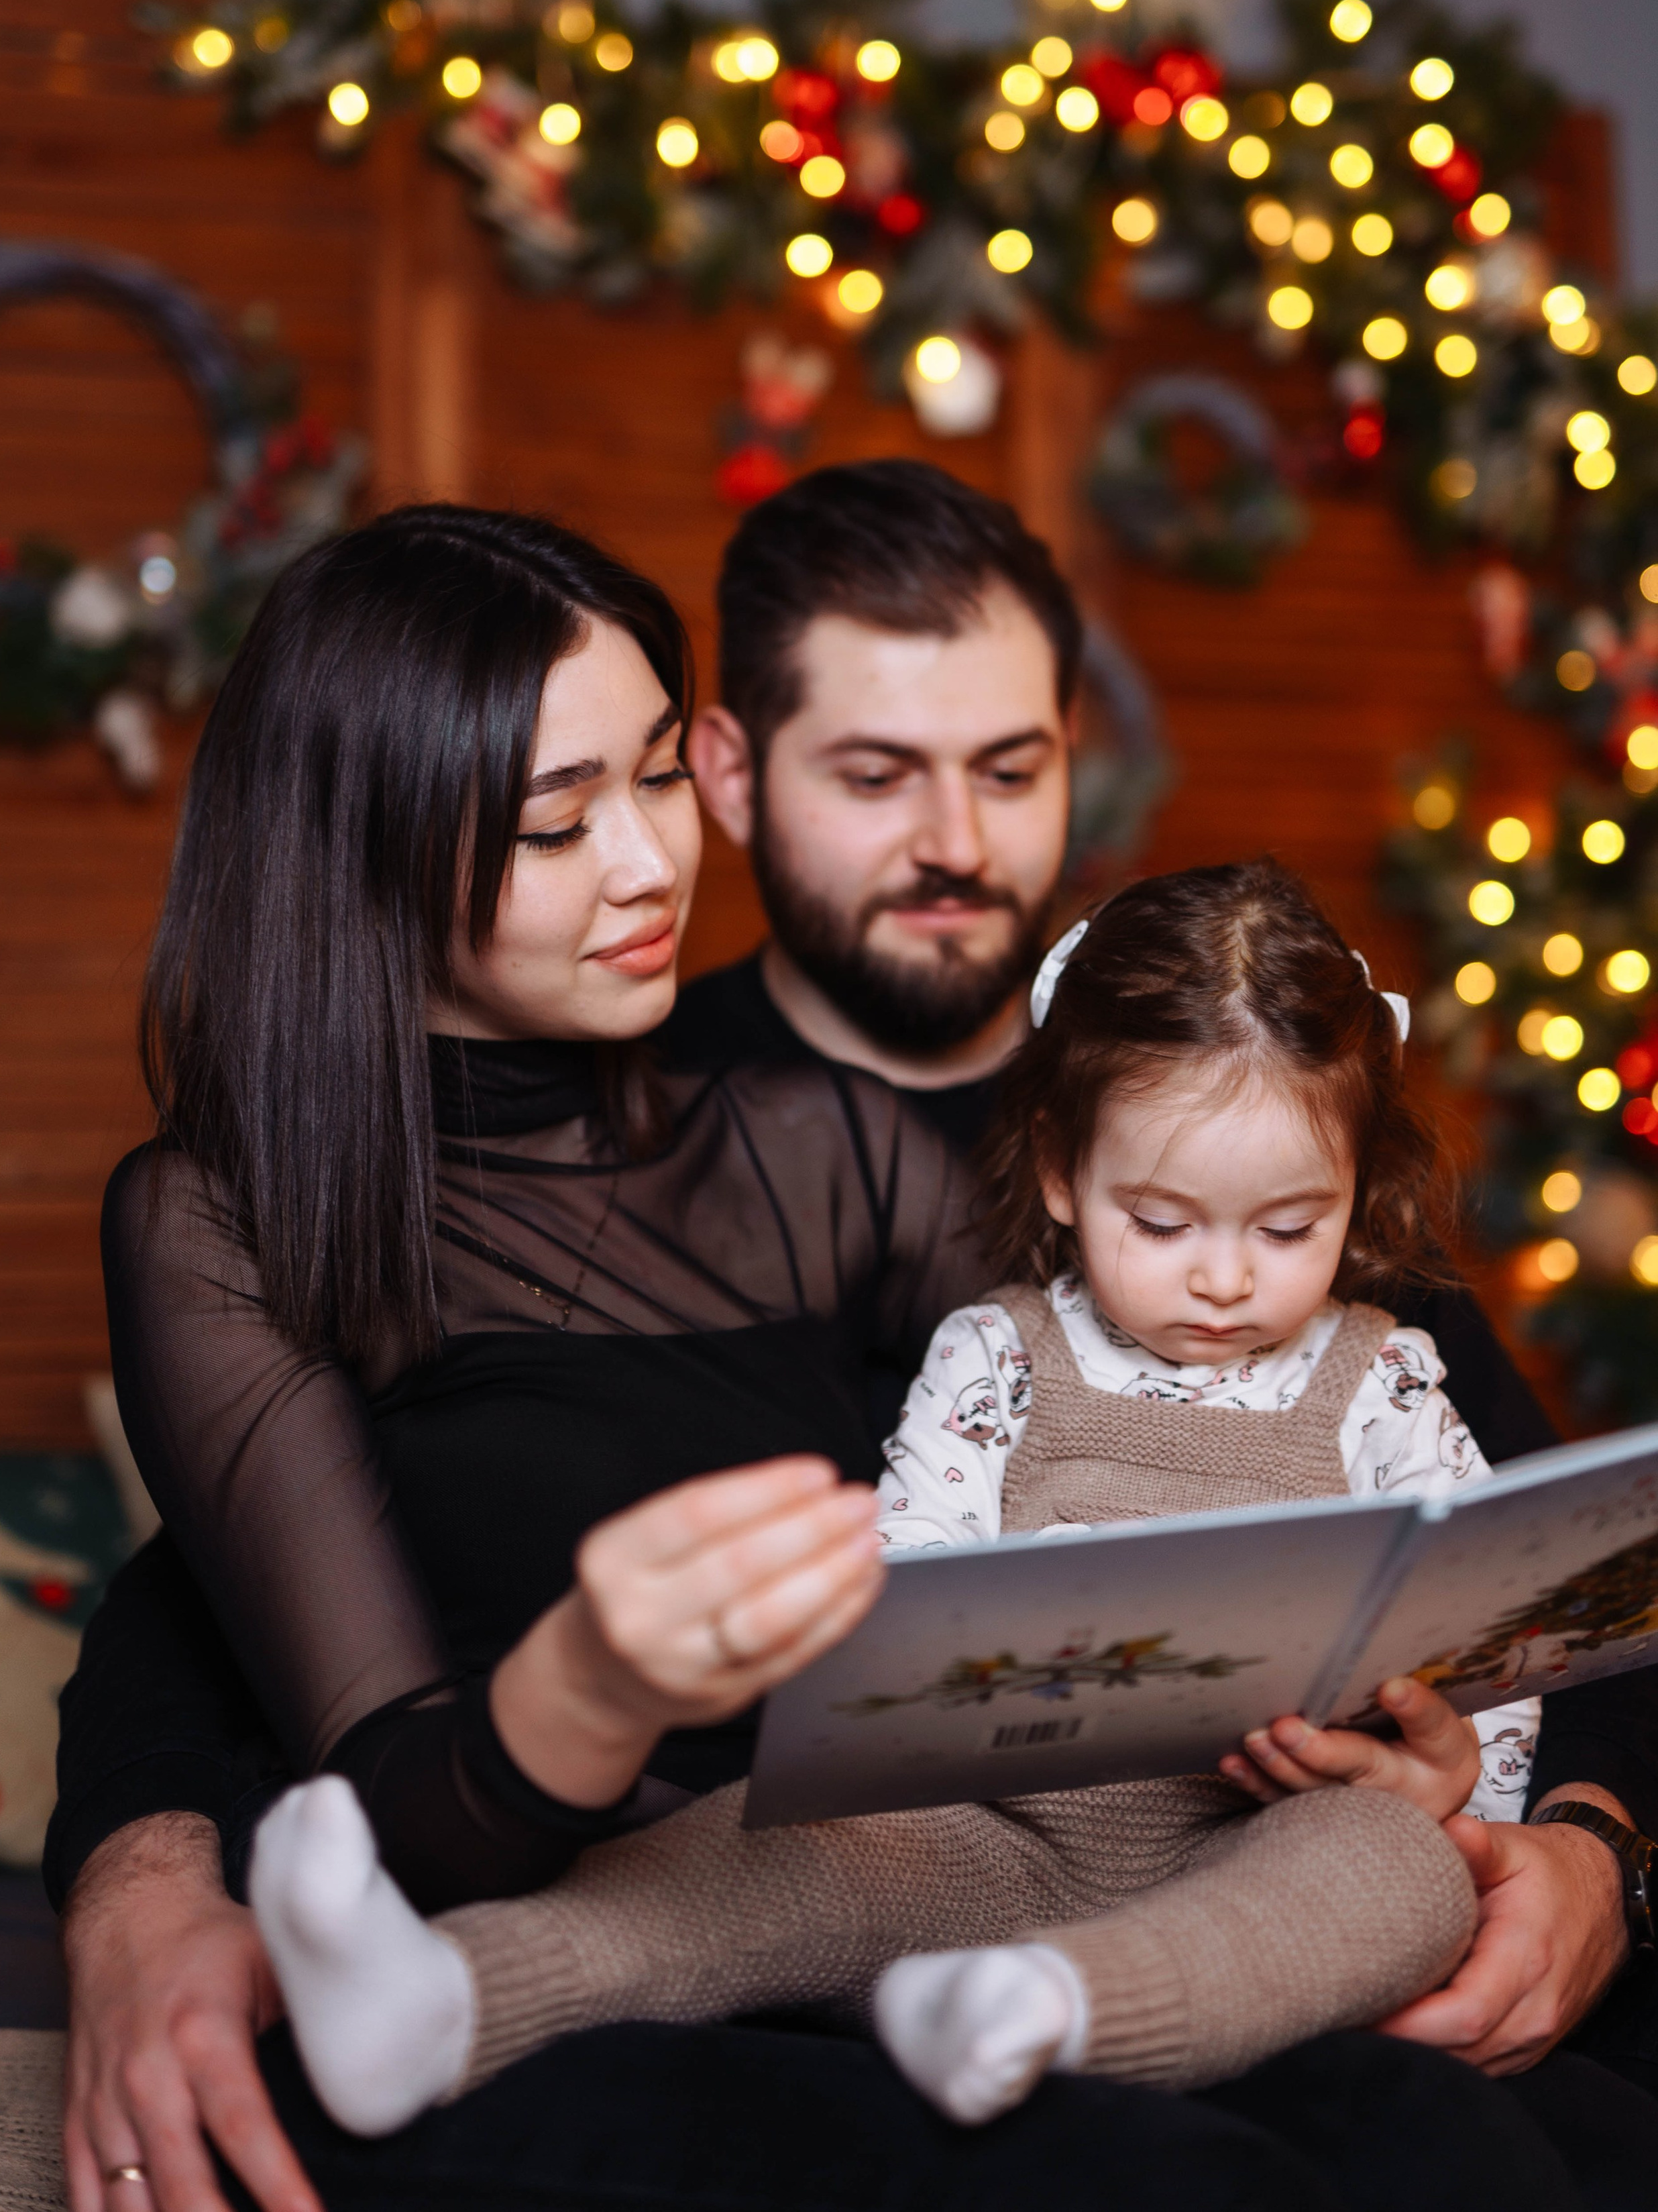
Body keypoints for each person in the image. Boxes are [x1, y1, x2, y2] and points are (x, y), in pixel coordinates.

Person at [47, 484, 1657, 2212]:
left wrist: (1583, 1843)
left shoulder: (852, 1150)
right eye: (554, 819)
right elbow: (217, 1598)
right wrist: (144, 1876)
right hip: (722, 1907)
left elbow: (1412, 1440)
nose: (654, 863)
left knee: (1441, 2117)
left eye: (650, 776)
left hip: (1105, 1867)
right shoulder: (271, 1207)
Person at [244, 858, 1521, 2142]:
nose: (1227, 1280)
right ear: (1065, 1173)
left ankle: (1052, 2007)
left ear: (1356, 1190)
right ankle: (450, 1993)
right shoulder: (1000, 1356)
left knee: (1406, 1871)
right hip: (981, 1835)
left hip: (1256, 1849)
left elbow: (1497, 1633)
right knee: (768, 1835)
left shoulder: (1384, 1382)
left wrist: (1454, 1777)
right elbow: (903, 1608)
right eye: (1164, 1220)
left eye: (1292, 1228)